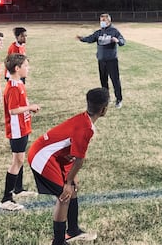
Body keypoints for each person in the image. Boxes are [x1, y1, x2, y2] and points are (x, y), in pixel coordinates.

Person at [28, 87, 109, 244]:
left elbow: (68, 150)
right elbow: (79, 159)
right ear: (104, 109)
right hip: (42, 156)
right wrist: (68, 180)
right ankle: (58, 242)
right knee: (64, 196)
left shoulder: (84, 119)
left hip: (53, 155)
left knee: (72, 190)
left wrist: (71, 178)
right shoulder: (86, 128)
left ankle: (73, 231)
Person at [0, 53, 40, 211]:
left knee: (20, 160)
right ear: (17, 68)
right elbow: (13, 110)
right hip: (17, 130)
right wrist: (30, 107)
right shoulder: (14, 87)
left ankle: (18, 189)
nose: (28, 68)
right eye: (25, 66)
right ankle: (6, 199)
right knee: (17, 161)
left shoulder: (18, 83)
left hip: (23, 127)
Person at [76, 14, 125, 109]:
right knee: (103, 81)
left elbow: (122, 41)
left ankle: (119, 100)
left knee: (115, 81)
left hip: (112, 60)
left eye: (103, 20)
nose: (101, 22)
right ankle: (106, 99)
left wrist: (118, 41)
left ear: (109, 22)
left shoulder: (114, 31)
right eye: (101, 20)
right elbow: (90, 39)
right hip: (101, 60)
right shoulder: (99, 32)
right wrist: (81, 38)